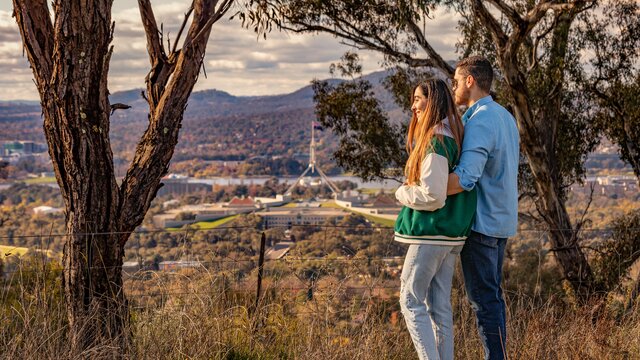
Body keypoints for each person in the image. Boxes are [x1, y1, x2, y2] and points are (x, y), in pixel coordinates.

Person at [394, 78, 477, 360]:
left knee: (410, 299)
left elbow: (433, 195)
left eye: (418, 98)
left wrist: (402, 192)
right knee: (439, 307)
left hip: (432, 233)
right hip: (451, 235)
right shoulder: (453, 135)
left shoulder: (436, 140)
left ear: (434, 101)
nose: (413, 105)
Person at [447, 56, 520, 360]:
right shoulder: (504, 116)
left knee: (483, 301)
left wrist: (420, 189)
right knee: (491, 298)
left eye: (455, 81)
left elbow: (465, 178)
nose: (453, 88)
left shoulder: (480, 120)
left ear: (470, 81)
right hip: (501, 221)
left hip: (482, 225)